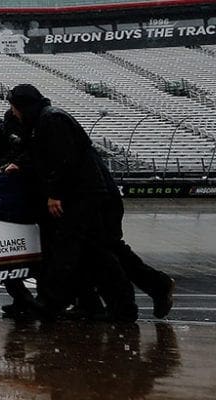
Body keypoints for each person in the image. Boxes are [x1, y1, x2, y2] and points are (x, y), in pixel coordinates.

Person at [7, 83, 137, 322]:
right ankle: (120, 307)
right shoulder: (46, 120)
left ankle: (52, 304)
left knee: (71, 252)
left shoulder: (51, 121)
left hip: (81, 196)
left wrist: (55, 194)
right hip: (84, 194)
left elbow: (63, 160)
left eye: (14, 108)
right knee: (94, 253)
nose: (14, 113)